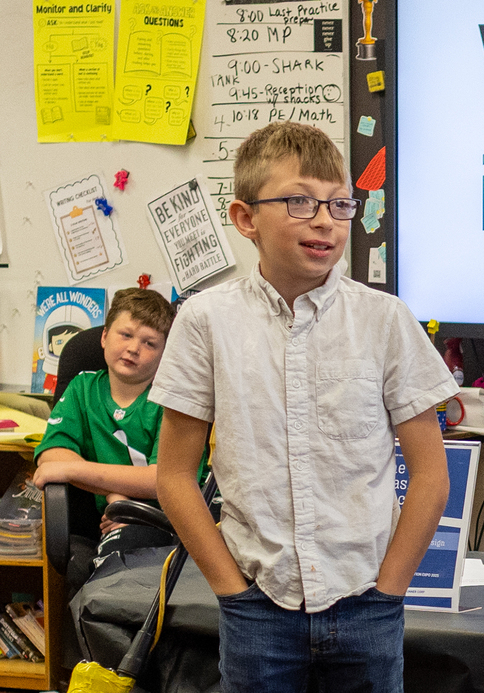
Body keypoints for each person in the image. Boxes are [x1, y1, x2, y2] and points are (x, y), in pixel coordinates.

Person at [150, 121, 458, 693]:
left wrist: (390, 589)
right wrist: (231, 591)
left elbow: (431, 476)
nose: (325, 220)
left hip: (367, 603)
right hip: (257, 608)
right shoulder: (205, 321)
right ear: (246, 219)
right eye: (299, 201)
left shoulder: (384, 319)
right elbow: (174, 476)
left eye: (340, 204)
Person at [32, 288, 176, 545]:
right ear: (105, 337)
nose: (133, 348)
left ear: (164, 353)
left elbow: (163, 480)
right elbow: (51, 454)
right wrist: (116, 497)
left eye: (149, 343)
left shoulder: (171, 400)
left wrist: (75, 471)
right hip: (112, 521)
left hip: (172, 524)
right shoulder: (82, 388)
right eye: (126, 335)